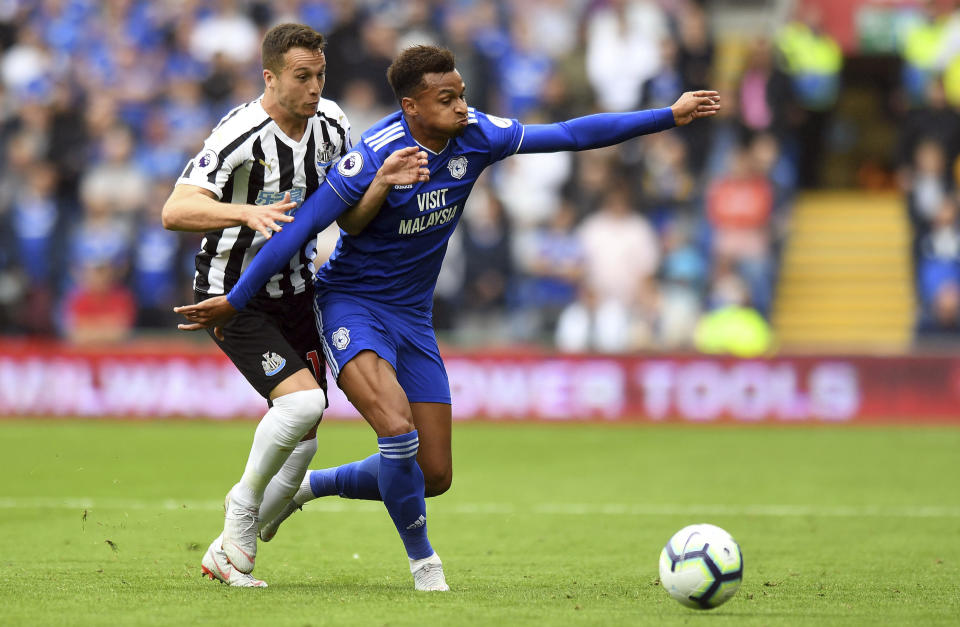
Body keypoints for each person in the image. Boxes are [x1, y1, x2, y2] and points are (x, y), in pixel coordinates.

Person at [174, 45, 720, 591]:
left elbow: (571, 133)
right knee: (394, 427)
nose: (463, 107)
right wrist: (238, 295)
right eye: (448, 98)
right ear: (412, 106)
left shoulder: (478, 136)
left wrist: (666, 116)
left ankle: (307, 488)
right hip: (350, 303)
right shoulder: (374, 152)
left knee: (433, 474)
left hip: (413, 317)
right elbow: (299, 229)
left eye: (462, 94)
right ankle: (424, 564)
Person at [162, 23, 428, 588]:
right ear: (271, 77)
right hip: (231, 296)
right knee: (304, 407)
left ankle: (228, 551)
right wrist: (245, 214)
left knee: (303, 443)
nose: (314, 88)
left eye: (320, 75)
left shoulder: (331, 125)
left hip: (297, 292)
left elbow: (350, 215)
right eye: (302, 77)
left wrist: (379, 182)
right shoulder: (240, 134)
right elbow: (175, 209)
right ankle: (238, 512)